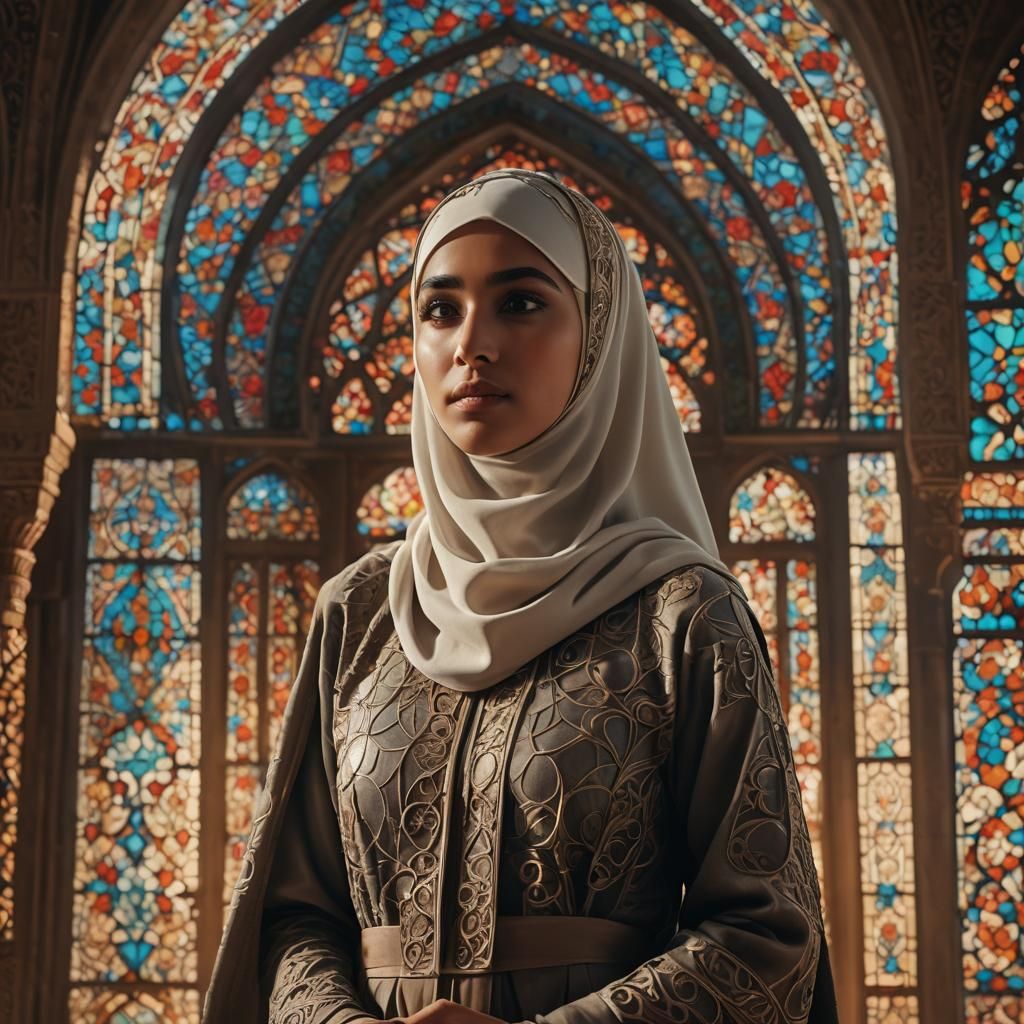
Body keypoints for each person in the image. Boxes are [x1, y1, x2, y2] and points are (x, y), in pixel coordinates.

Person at [202, 168, 839, 1023]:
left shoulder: (681, 615)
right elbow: (296, 915)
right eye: (440, 309)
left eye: (521, 303)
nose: (472, 343)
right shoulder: (361, 613)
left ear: (601, 334)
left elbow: (768, 939)